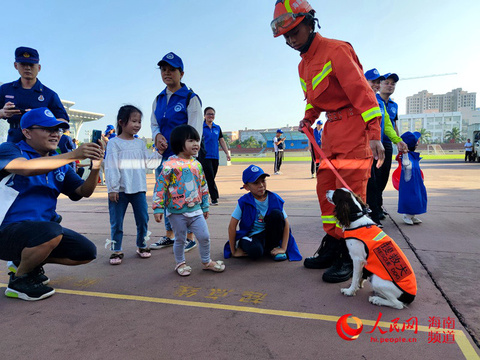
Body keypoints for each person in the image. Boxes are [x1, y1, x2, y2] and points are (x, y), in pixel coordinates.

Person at [271, 0, 384, 283]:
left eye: (294, 32)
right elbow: (315, 101)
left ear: (310, 23)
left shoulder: (337, 50)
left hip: (354, 130)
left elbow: (363, 94)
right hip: (330, 133)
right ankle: (334, 245)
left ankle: (351, 255)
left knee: (350, 197)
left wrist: (373, 133)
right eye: (285, 36)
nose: (290, 40)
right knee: (326, 193)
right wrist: (308, 118)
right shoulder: (302, 66)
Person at [0, 107, 103, 301]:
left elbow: (83, 192)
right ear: (27, 132)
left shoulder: (59, 163)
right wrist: (73, 154)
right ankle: (19, 281)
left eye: (58, 129)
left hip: (39, 233)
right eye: (48, 129)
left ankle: (25, 262)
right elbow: (26, 168)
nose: (55, 134)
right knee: (51, 231)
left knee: (87, 252)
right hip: (5, 231)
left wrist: (95, 166)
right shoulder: (11, 149)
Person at [153, 124, 225, 276]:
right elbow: (160, 187)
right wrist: (158, 207)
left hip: (196, 209)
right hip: (176, 212)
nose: (196, 144)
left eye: (197, 141)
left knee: (204, 236)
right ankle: (180, 263)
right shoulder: (169, 165)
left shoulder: (197, 164)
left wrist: (205, 206)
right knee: (180, 239)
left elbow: (203, 185)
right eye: (191, 140)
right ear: (180, 143)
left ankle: (206, 262)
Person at [150, 52, 203, 252]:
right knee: (165, 196)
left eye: (171, 69)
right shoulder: (158, 99)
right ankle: (170, 235)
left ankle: (189, 236)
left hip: (183, 160)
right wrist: (156, 136)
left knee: (186, 196)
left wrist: (189, 160)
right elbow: (154, 124)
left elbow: (195, 131)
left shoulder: (191, 98)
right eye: (163, 70)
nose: (167, 73)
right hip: (163, 159)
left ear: (181, 73)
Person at [104, 105, 163, 265]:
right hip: (120, 191)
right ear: (121, 122)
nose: (137, 125)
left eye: (139, 121)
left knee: (143, 219)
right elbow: (111, 166)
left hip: (138, 189)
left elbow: (150, 164)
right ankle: (116, 250)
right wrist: (113, 188)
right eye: (134, 121)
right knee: (116, 221)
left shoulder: (140, 144)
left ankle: (142, 245)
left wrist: (158, 153)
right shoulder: (114, 143)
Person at [225, 164, 302, 261]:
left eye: (263, 181)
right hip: (253, 236)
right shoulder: (244, 202)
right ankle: (246, 244)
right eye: (256, 183)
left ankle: (274, 247)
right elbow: (232, 226)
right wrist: (233, 251)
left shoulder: (274, 198)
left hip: (269, 234)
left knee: (277, 214)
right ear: (246, 187)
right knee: (255, 252)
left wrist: (283, 248)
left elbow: (286, 224)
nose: (261, 185)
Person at [365, 69, 407, 227]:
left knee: (379, 180)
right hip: (366, 147)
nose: (376, 85)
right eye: (374, 82)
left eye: (377, 82)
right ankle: (372, 215)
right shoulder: (359, 98)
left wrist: (398, 140)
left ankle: (374, 212)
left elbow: (387, 125)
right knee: (371, 182)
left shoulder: (380, 102)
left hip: (381, 145)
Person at [0, 47, 69, 143]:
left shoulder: (49, 94)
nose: (27, 68)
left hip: (40, 141)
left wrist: (41, 118)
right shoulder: (5, 89)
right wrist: (2, 112)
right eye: (23, 64)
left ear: (39, 68)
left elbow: (64, 121)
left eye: (31, 65)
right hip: (14, 140)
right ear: (16, 65)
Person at [376, 72, 400, 218]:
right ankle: (373, 207)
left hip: (387, 143)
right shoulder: (372, 99)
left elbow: (393, 124)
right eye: (387, 83)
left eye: (393, 84)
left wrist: (399, 142)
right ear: (379, 85)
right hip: (373, 143)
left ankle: (378, 205)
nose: (390, 86)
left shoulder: (393, 105)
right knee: (373, 177)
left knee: (384, 176)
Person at [198, 107, 231, 206]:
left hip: (215, 156)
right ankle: (214, 198)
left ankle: (202, 195)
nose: (210, 116)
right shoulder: (200, 127)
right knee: (210, 177)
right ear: (204, 115)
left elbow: (221, 140)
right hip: (204, 156)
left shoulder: (217, 128)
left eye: (212, 114)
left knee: (211, 177)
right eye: (208, 114)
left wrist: (227, 153)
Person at [397, 131, 427, 225]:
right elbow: (406, 165)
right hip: (409, 181)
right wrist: (405, 153)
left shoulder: (413, 156)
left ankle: (412, 215)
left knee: (419, 197)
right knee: (411, 197)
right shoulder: (407, 156)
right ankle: (407, 215)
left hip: (416, 181)